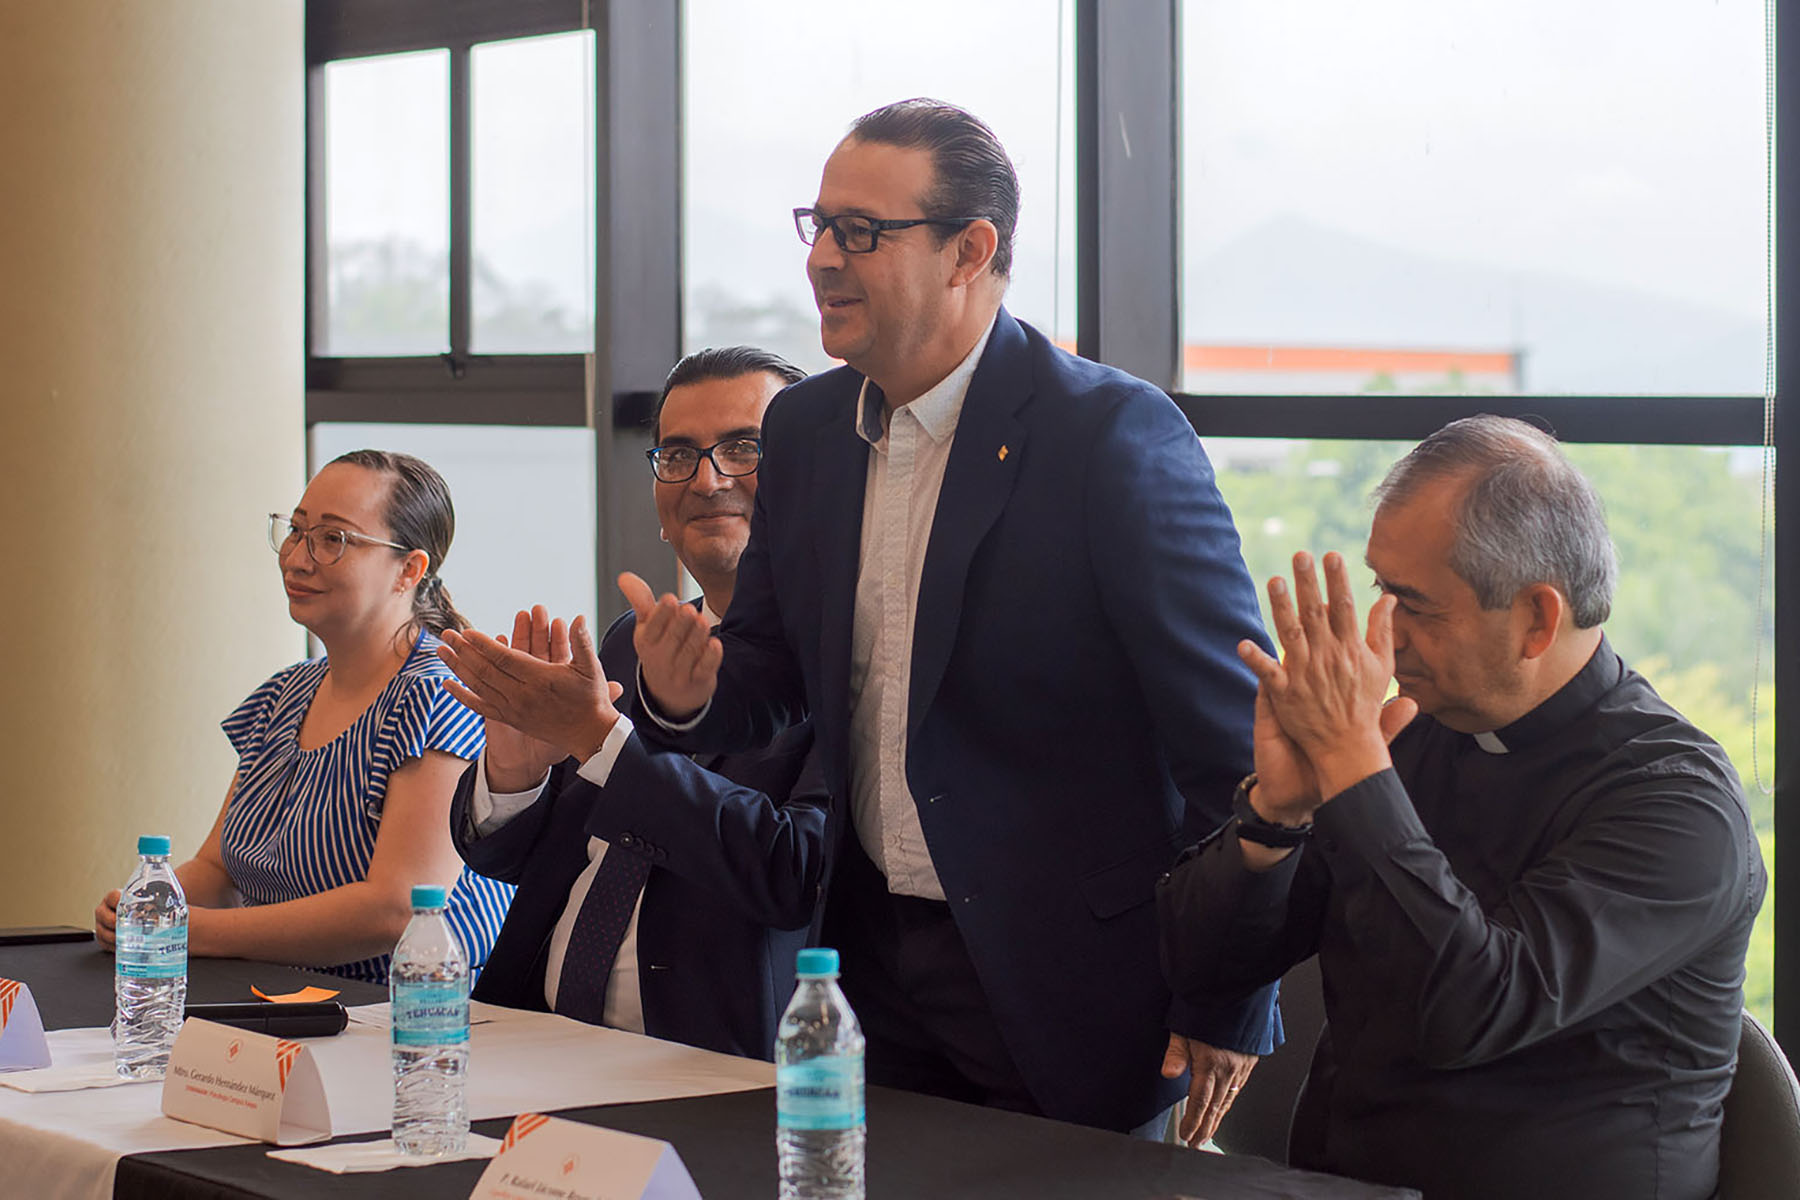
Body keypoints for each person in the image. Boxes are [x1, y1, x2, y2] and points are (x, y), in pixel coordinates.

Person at [618, 99, 1274, 1135]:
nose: (824, 259)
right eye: (819, 225)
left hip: (1075, 983)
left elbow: (1235, 751)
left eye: (861, 233)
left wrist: (1230, 991)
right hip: (867, 962)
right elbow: (773, 676)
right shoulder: (809, 427)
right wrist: (684, 694)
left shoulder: (1107, 435)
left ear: (971, 250)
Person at [1157, 415, 1766, 1199]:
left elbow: (1472, 1012)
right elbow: (1201, 966)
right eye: (1383, 591)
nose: (1386, 636)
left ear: (1538, 620)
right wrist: (1275, 814)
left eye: (1417, 606)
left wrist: (1351, 767)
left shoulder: (1679, 803)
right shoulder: (1413, 737)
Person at [435, 347, 831, 1059]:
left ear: (811, 480)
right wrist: (518, 775)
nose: (708, 480)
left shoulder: (849, 665)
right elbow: (510, 859)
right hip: (531, 1037)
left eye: (744, 449)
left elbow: (796, 873)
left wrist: (602, 743)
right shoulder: (626, 644)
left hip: (707, 1065)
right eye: (678, 455)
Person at [94, 450, 513, 984]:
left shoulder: (440, 696)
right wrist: (146, 904)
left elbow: (396, 908)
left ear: (409, 569)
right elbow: (218, 871)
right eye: (296, 531)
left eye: (332, 539)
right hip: (276, 1000)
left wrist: (191, 931)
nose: (297, 557)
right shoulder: (284, 693)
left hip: (407, 1021)